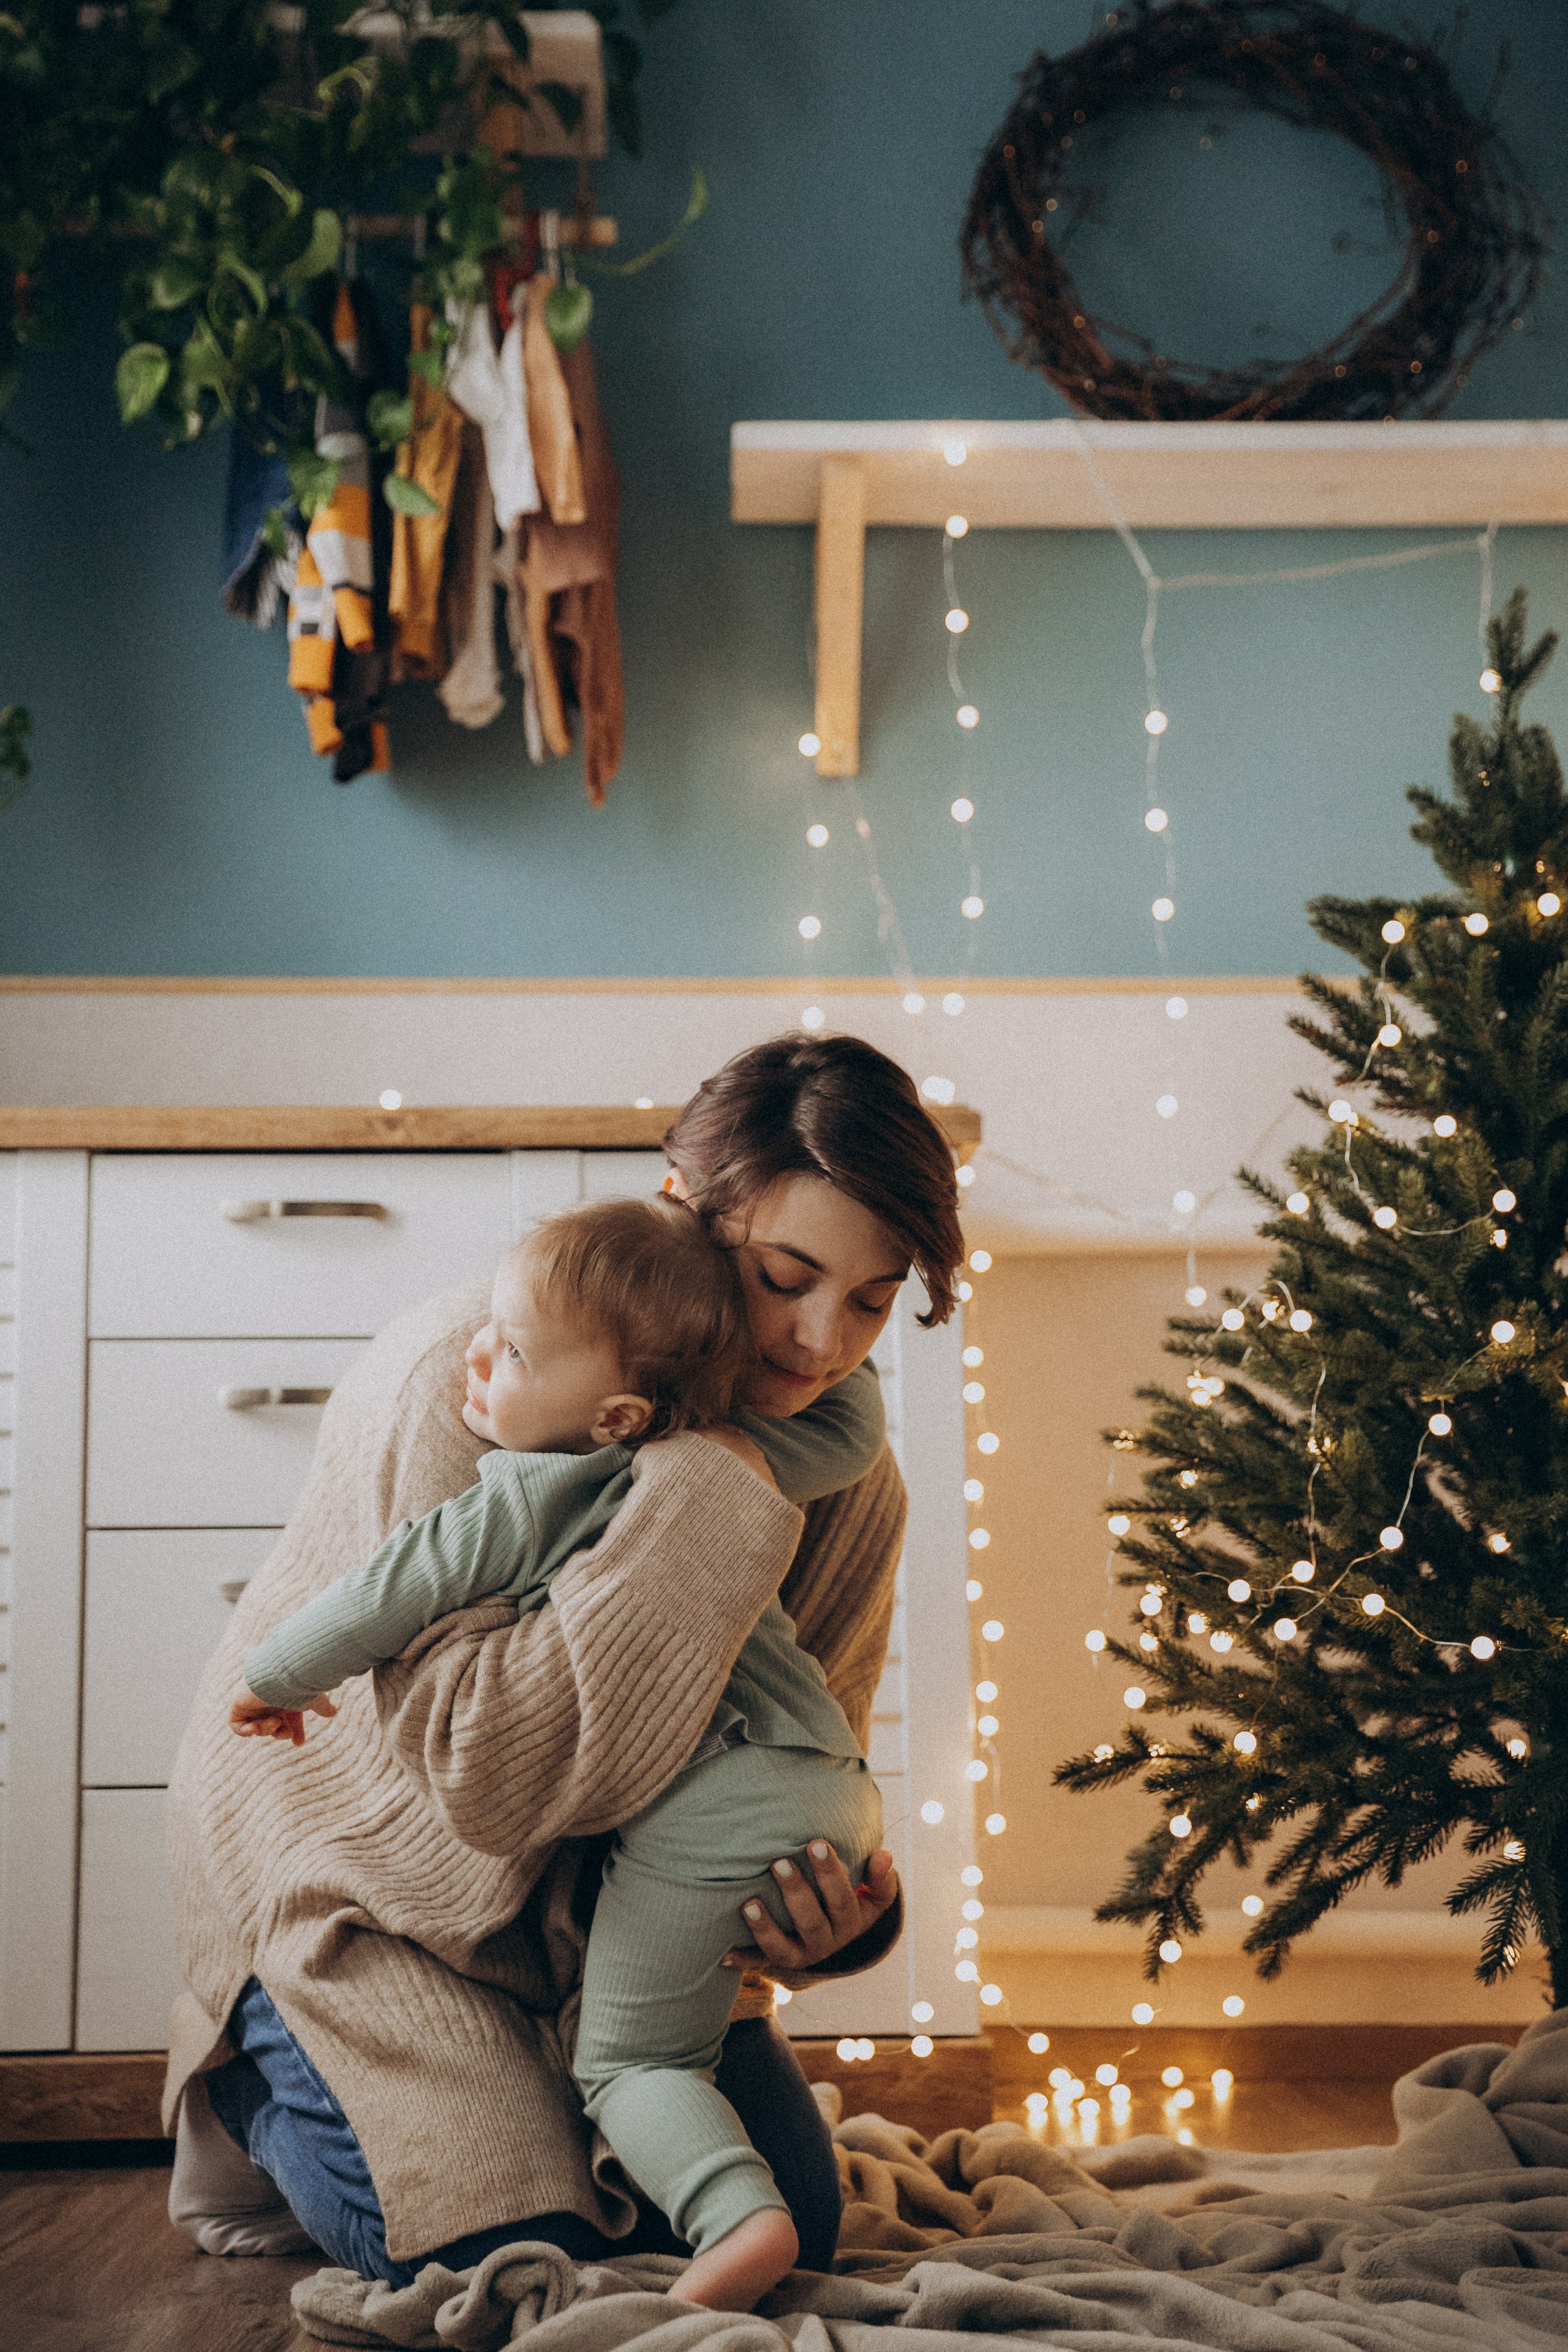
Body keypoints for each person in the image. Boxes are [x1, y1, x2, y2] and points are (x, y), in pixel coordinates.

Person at [162, 1032, 964, 2290]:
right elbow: (491, 1782)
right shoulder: (481, 1379)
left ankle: (544, 2103)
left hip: (614, 1926)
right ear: (681, 1217)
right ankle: (252, 2082)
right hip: (379, 1898)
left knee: (784, 2233)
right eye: (782, 1276)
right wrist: (711, 1485)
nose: (819, 1345)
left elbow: (809, 1753)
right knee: (516, 2258)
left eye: (870, 1299)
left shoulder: (850, 1482)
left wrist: (840, 1923)